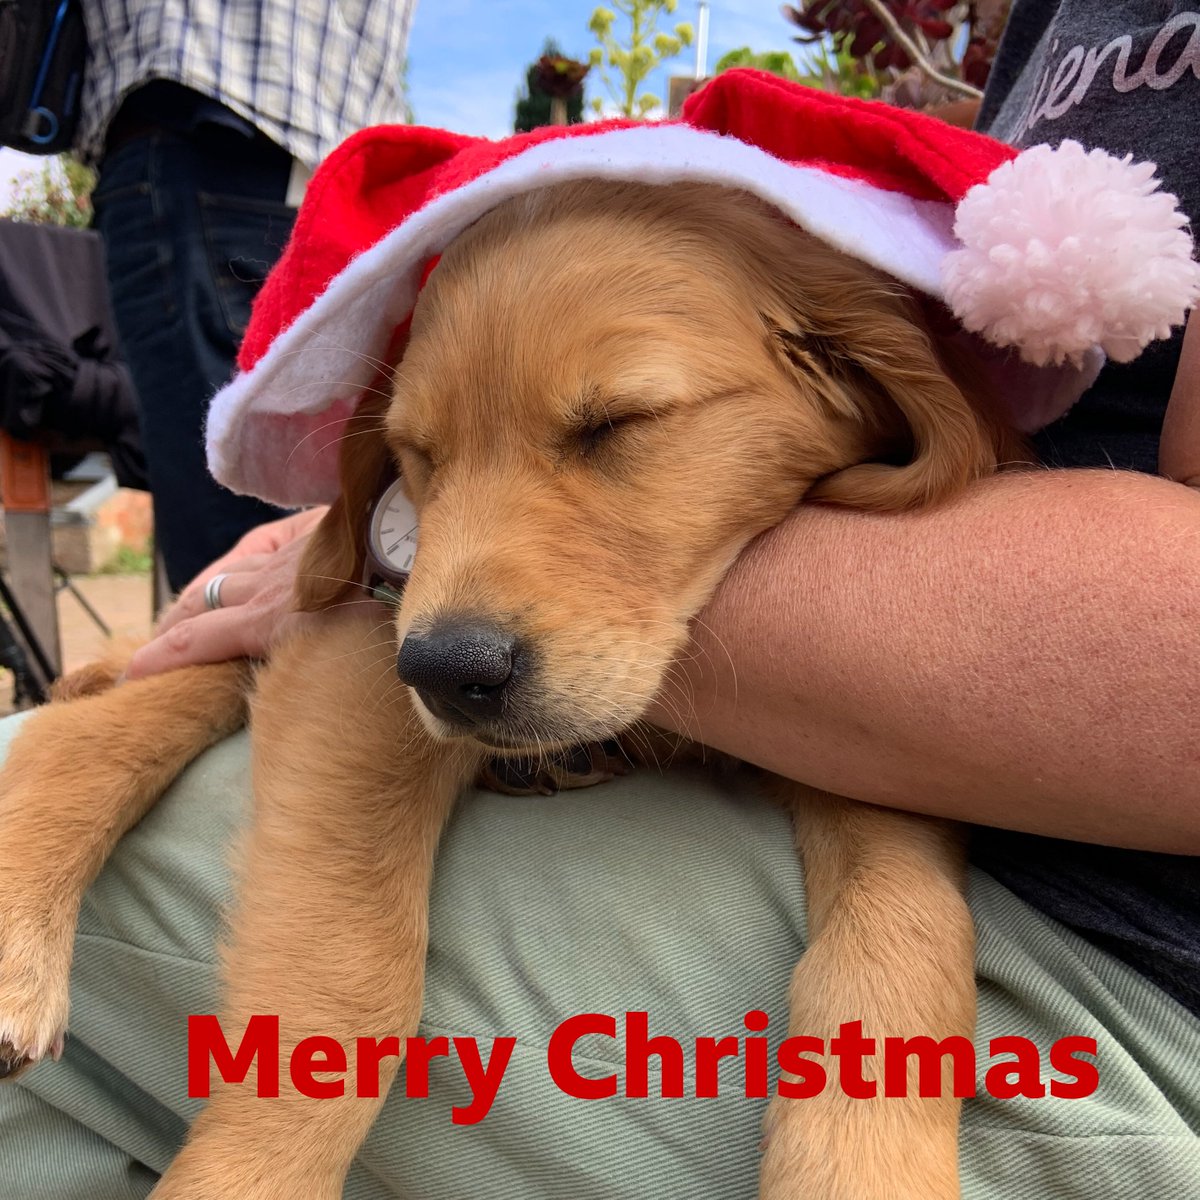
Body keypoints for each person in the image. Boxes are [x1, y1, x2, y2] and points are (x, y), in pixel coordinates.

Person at [2, 3, 1198, 1197]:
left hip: (1123, 978)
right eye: (416, 462)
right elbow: (898, 737)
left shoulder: (905, 427)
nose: (454, 585)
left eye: (615, 422)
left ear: (869, 385)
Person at [77, 0, 417, 591]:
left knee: (232, 545)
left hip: (202, 119)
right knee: (318, 519)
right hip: (343, 164)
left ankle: (237, 668)